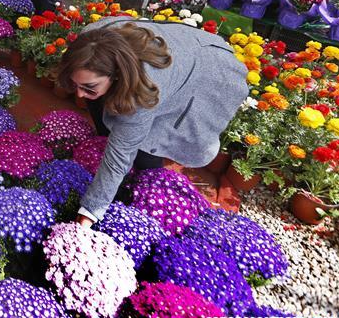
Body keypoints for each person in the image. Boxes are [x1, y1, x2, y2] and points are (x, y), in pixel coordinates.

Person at [56, 16, 247, 226]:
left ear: (117, 75)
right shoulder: (90, 42)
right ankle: (119, 179)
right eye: (77, 85)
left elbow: (120, 154)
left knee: (148, 148)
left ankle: (146, 185)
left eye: (89, 87)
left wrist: (89, 213)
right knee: (113, 120)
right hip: (174, 53)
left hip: (207, 70)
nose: (80, 95)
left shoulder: (143, 88)